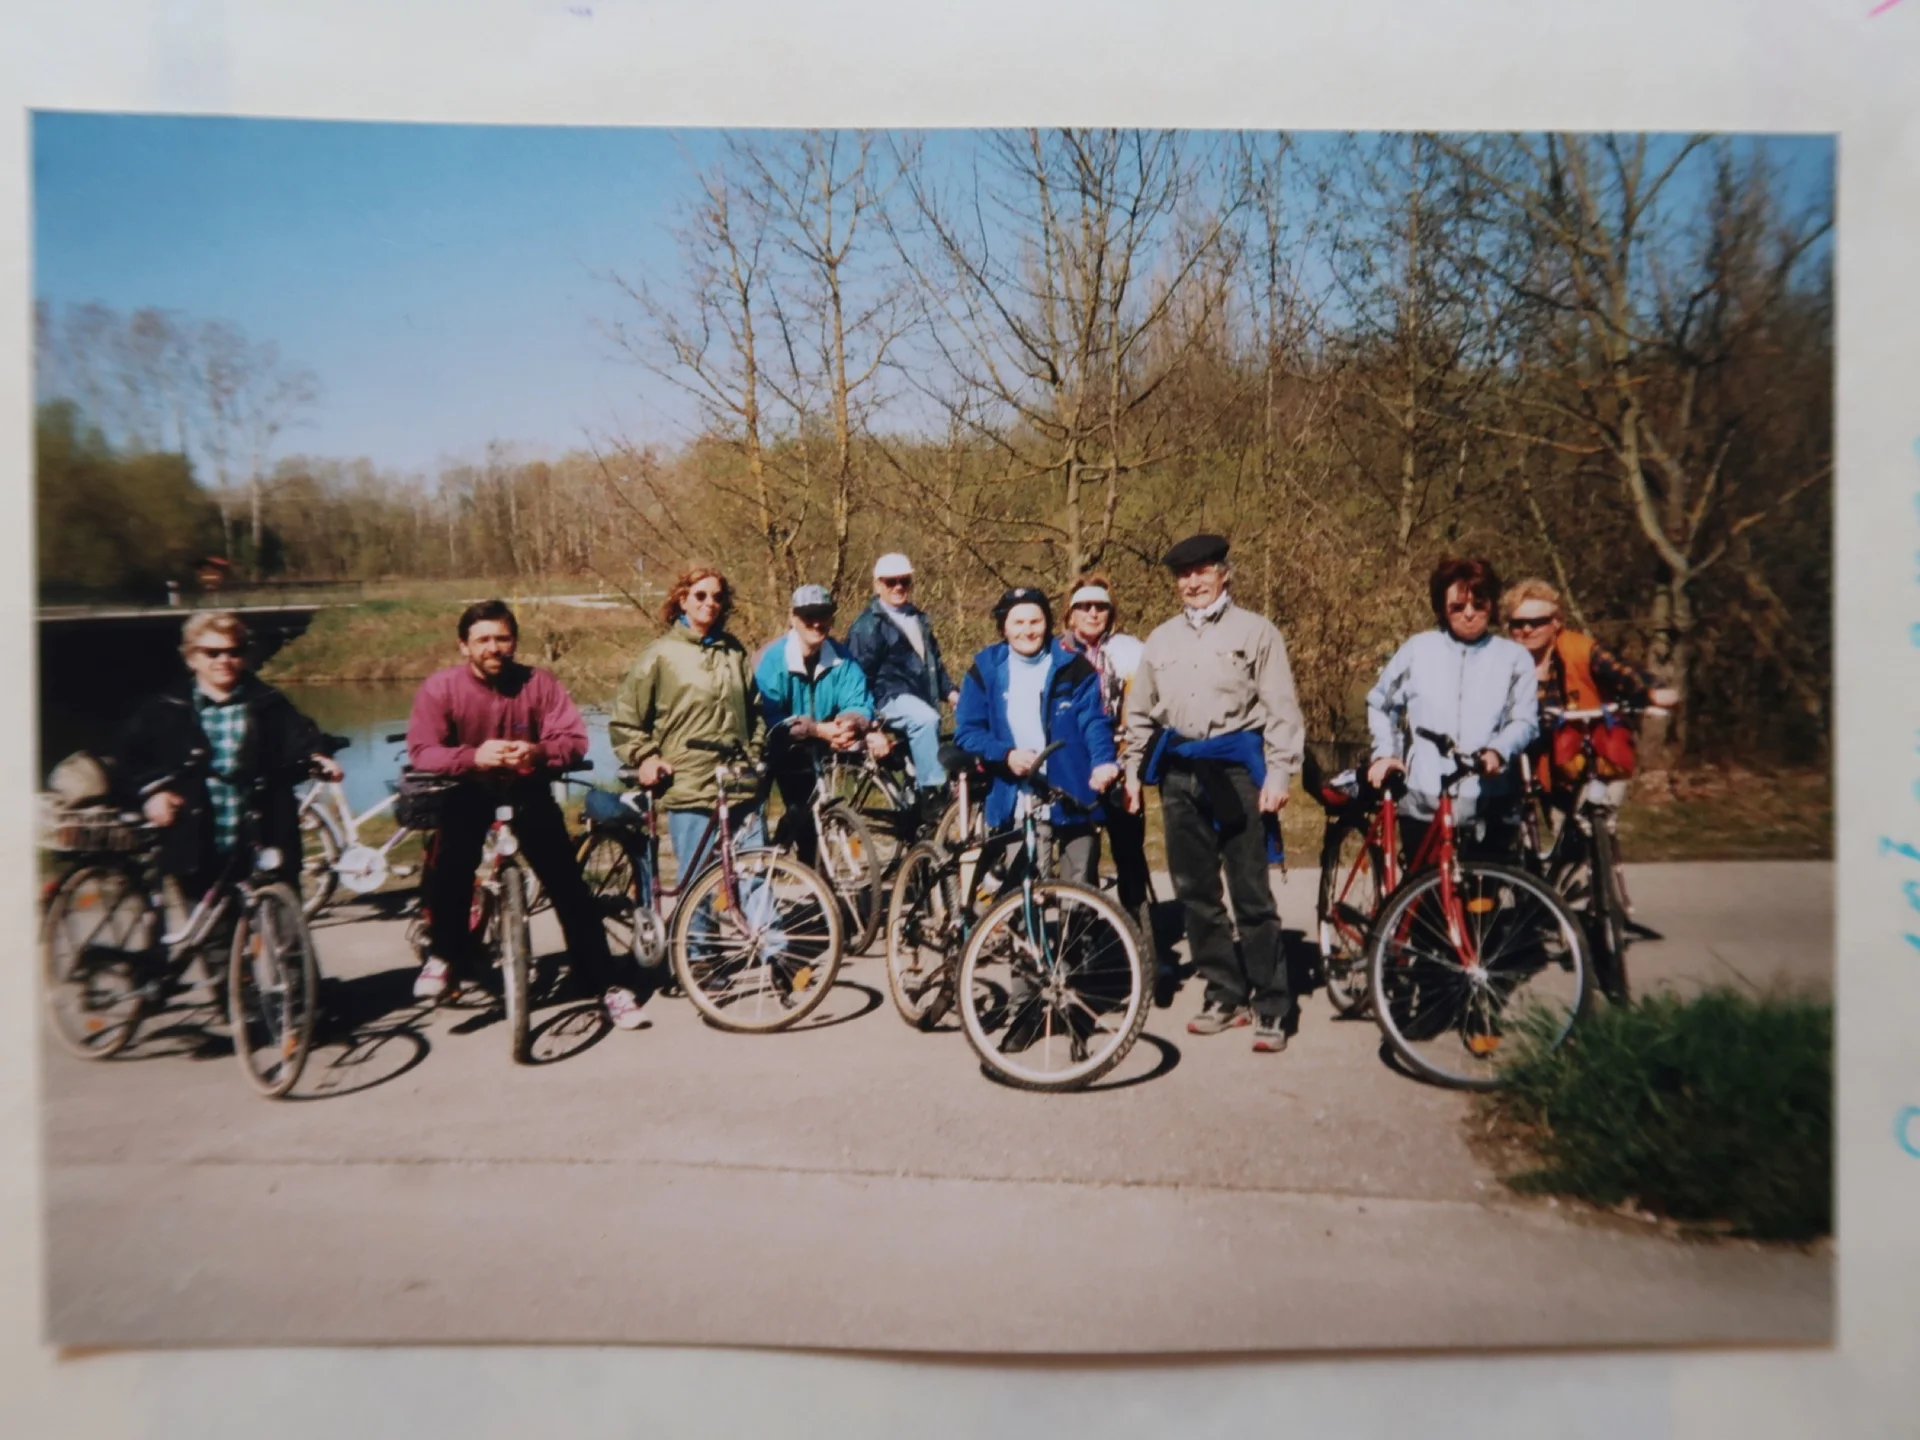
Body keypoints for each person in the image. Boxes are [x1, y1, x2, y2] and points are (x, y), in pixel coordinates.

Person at [407, 599, 651, 1029]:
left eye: (502, 638)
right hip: (468, 788)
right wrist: (472, 755)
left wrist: (539, 751)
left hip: (528, 790)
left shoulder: (539, 684)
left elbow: (574, 740)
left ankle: (606, 986)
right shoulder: (440, 688)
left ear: (514, 641)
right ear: (464, 646)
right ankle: (444, 956)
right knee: (452, 867)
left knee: (569, 888)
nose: (493, 648)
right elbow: (422, 750)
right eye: (483, 640)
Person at [1122, 535, 1306, 1054]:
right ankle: (1225, 993)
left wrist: (1279, 775)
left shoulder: (1257, 632)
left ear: (1224, 573)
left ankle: (1272, 1003)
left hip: (1239, 773)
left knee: (1250, 893)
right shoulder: (1159, 640)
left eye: (1202, 571)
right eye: (1183, 575)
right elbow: (1139, 714)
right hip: (1181, 774)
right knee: (1196, 893)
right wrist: (1133, 772)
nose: (1193, 583)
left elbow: (1281, 709)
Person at [114, 611, 344, 908]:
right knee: (215, 937)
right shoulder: (167, 708)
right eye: (212, 652)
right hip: (198, 837)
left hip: (262, 833)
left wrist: (317, 755)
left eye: (234, 652)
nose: (224, 660)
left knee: (285, 932)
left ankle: (283, 951)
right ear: (191, 658)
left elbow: (299, 736)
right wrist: (154, 791)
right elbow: (131, 754)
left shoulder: (267, 702)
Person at [1366, 557, 1539, 867]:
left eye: (1479, 603)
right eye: (1458, 607)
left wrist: (1498, 751)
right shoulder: (1418, 651)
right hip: (1425, 797)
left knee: (1482, 905)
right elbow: (1382, 703)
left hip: (1490, 798)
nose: (1469, 613)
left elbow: (1524, 720)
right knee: (1426, 901)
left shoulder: (1514, 658)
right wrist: (1385, 753)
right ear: (1442, 610)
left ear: (1492, 605)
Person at [610, 563, 768, 884]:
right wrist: (645, 756)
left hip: (739, 785)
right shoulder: (661, 655)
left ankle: (772, 937)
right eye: (700, 595)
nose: (709, 602)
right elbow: (626, 716)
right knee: (700, 887)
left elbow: (757, 714)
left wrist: (753, 754)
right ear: (683, 600)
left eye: (717, 597)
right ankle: (691, 937)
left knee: (756, 876)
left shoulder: (734, 652)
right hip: (690, 785)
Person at [954, 586, 1120, 885]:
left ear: (1047, 623)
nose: (1027, 631)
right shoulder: (986, 670)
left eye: (1035, 622)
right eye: (1018, 623)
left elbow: (1094, 721)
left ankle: (1076, 932)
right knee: (1026, 892)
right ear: (1003, 627)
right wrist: (1005, 755)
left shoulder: (1075, 668)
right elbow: (967, 732)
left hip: (1073, 791)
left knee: (1080, 891)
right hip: (1017, 798)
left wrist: (1103, 762)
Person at [1053, 576, 1158, 978]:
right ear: (1070, 613)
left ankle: (1144, 955)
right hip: (1075, 768)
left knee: (1130, 854)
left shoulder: (1128, 650)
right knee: (1080, 860)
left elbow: (1150, 699)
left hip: (1121, 761)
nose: (1093, 613)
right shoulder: (1056, 652)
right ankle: (1078, 953)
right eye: (1084, 607)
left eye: (1101, 607)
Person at [1502, 576, 1680, 800]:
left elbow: (1622, 673)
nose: (1527, 629)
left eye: (1537, 622)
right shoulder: (1503, 663)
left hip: (1596, 755)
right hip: (1548, 767)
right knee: (1559, 829)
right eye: (1518, 623)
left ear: (1556, 622)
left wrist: (1651, 693)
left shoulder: (1579, 649)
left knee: (1600, 819)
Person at [756, 583, 876, 868]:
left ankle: (819, 894)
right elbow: (768, 715)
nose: (816, 622)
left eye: (823, 614)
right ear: (793, 618)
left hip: (810, 751)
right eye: (808, 615)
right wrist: (816, 729)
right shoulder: (772, 659)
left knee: (811, 822)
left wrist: (848, 724)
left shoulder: (841, 658)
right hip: (768, 748)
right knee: (752, 826)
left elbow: (858, 700)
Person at [844, 552, 958, 827]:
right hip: (887, 700)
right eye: (890, 581)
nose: (898, 587)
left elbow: (934, 665)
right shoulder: (867, 626)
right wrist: (870, 724)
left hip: (919, 698)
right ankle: (934, 791)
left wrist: (953, 693)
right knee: (925, 719)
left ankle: (920, 840)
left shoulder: (919, 619)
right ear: (877, 585)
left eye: (904, 581)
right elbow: (857, 677)